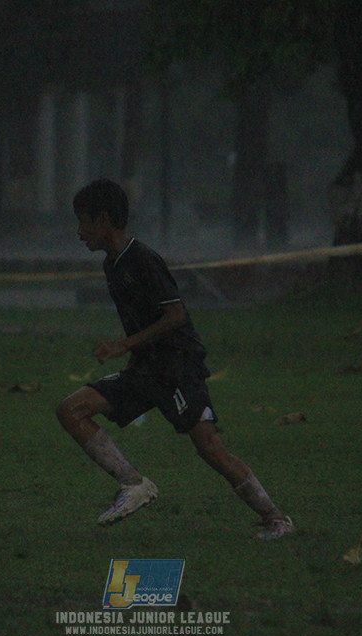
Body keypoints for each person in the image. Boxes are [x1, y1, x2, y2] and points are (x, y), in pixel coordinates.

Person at [56, 178, 293, 540]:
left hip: (179, 366)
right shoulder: (112, 265)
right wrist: (133, 356)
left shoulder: (143, 259)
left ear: (103, 220)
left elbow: (176, 315)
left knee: (209, 448)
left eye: (83, 221)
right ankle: (133, 484)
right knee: (70, 410)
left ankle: (276, 519)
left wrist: (123, 345)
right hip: (146, 369)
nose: (78, 232)